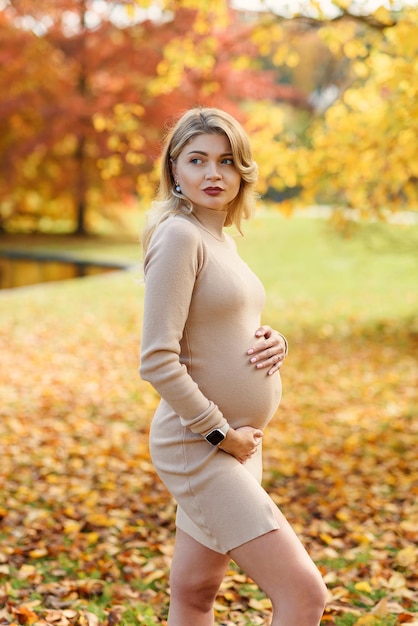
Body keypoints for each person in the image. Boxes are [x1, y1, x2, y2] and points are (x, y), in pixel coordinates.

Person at [139, 107, 327, 626]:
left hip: (237, 445)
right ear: (174, 168)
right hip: (202, 443)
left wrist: (275, 342)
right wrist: (221, 434)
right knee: (304, 594)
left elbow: (228, 323)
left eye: (225, 161)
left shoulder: (219, 238)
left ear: (242, 169)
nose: (213, 174)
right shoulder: (179, 236)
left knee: (196, 591)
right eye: (197, 160)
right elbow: (157, 358)